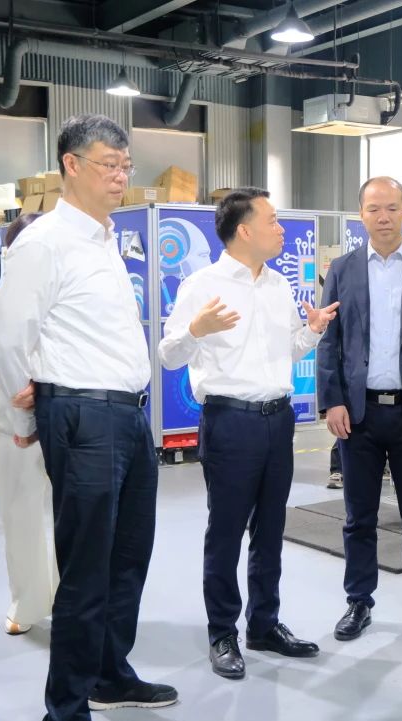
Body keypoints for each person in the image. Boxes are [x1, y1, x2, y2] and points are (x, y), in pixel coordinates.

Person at [0, 114, 176, 720]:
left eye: (126, 166)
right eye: (109, 165)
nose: (121, 176)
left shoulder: (105, 239)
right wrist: (27, 414)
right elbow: (9, 336)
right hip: (83, 414)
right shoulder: (44, 242)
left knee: (128, 559)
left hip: (127, 415)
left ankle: (108, 674)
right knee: (87, 569)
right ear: (71, 165)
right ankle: (66, 708)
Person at [159, 188, 338, 679]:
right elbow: (169, 356)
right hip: (229, 421)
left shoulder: (278, 286)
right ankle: (223, 632)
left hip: (277, 420)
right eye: (273, 221)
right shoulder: (201, 285)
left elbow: (287, 351)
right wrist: (195, 330)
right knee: (226, 532)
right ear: (244, 230)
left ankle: (264, 624)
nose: (281, 229)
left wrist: (313, 330)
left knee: (271, 529)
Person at [317, 176, 402, 647]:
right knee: (359, 517)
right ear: (360, 215)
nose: (383, 217)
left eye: (392, 208)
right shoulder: (343, 269)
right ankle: (359, 602)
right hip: (358, 416)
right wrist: (332, 399)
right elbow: (330, 341)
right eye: (374, 209)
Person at [0, 213, 57, 637]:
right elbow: (5, 356)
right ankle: (27, 602)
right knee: (20, 512)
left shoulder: (65, 292)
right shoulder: (1, 298)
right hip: (14, 417)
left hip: (67, 411)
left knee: (72, 516)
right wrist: (26, 406)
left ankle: (69, 598)